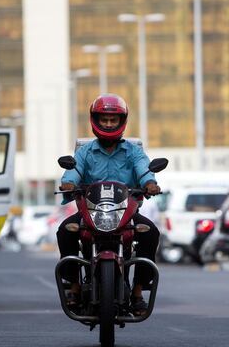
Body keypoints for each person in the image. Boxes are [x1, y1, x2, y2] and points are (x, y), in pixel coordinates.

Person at [57, 94, 161, 315]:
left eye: (113, 120)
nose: (108, 124)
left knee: (151, 232)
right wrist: (68, 183)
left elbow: (143, 169)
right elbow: (73, 171)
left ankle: (138, 291)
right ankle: (74, 287)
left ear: (121, 121)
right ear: (95, 120)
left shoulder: (133, 152)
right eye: (104, 119)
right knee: (64, 231)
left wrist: (150, 182)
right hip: (91, 214)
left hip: (125, 215)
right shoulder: (85, 152)